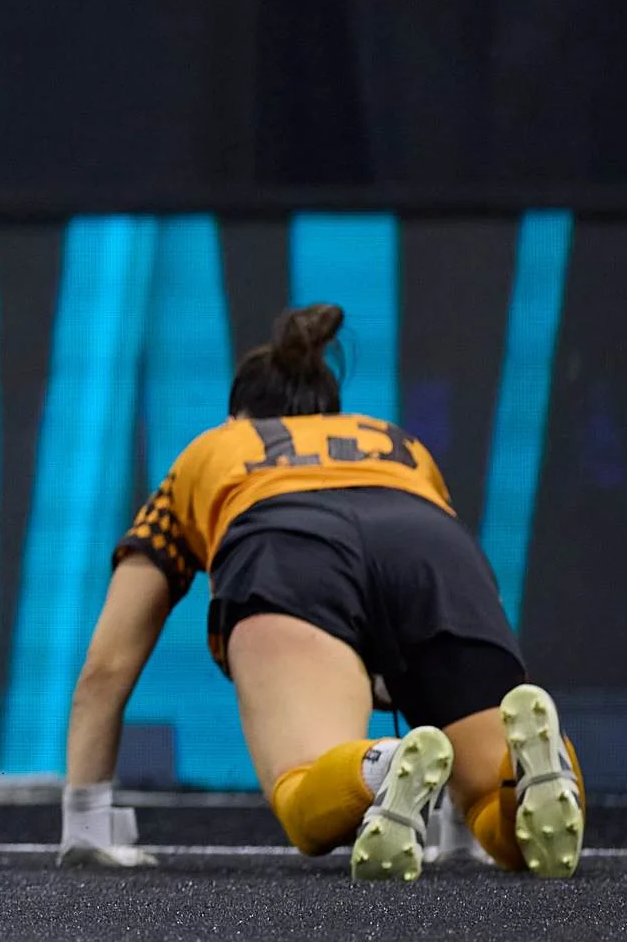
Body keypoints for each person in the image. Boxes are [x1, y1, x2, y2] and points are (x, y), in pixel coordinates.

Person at [58, 304, 584, 882]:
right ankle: (534, 774)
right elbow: (468, 592)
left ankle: (377, 770)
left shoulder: (214, 449)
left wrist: (87, 823)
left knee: (306, 790)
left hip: (288, 545)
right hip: (432, 550)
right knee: (497, 799)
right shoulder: (397, 444)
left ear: (237, 417)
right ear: (330, 413)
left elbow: (107, 667)